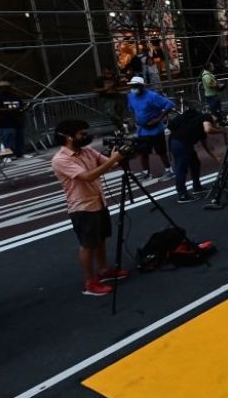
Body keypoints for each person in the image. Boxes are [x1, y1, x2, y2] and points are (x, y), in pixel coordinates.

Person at [51, 119, 129, 296]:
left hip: (99, 201)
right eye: (82, 134)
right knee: (88, 245)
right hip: (82, 207)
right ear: (68, 137)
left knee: (101, 239)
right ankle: (90, 282)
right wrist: (114, 159)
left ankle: (103, 271)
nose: (86, 137)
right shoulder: (60, 160)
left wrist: (122, 154)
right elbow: (87, 177)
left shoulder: (87, 151)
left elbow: (110, 163)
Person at [167, 103, 223, 203]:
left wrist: (215, 157)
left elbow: (206, 145)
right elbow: (208, 129)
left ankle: (197, 186)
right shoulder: (206, 117)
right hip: (180, 142)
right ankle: (182, 195)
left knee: (195, 163)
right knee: (181, 168)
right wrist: (222, 131)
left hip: (181, 142)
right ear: (214, 116)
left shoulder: (197, 122)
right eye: (217, 121)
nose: (217, 123)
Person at [125, 76, 174, 181]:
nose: (133, 88)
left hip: (156, 129)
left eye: (135, 86)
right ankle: (146, 173)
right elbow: (132, 109)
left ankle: (169, 170)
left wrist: (158, 119)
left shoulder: (152, 96)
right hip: (142, 130)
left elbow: (169, 104)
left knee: (161, 151)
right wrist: (135, 120)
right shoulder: (131, 96)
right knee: (143, 152)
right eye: (132, 86)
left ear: (142, 86)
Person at [0, 80, 28, 159]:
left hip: (17, 121)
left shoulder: (15, 96)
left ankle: (20, 153)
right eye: (3, 88)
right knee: (8, 139)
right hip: (5, 122)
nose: (5, 89)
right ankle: (8, 156)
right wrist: (6, 110)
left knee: (20, 138)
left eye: (7, 87)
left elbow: (21, 106)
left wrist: (22, 110)